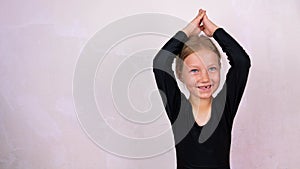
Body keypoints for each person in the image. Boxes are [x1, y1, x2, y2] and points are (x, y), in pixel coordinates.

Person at [153, 9, 251, 169]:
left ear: (220, 68)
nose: (205, 78)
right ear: (180, 74)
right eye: (194, 70)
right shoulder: (178, 109)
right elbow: (160, 63)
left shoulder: (224, 107)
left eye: (211, 68)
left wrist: (215, 31)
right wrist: (188, 31)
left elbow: (241, 62)